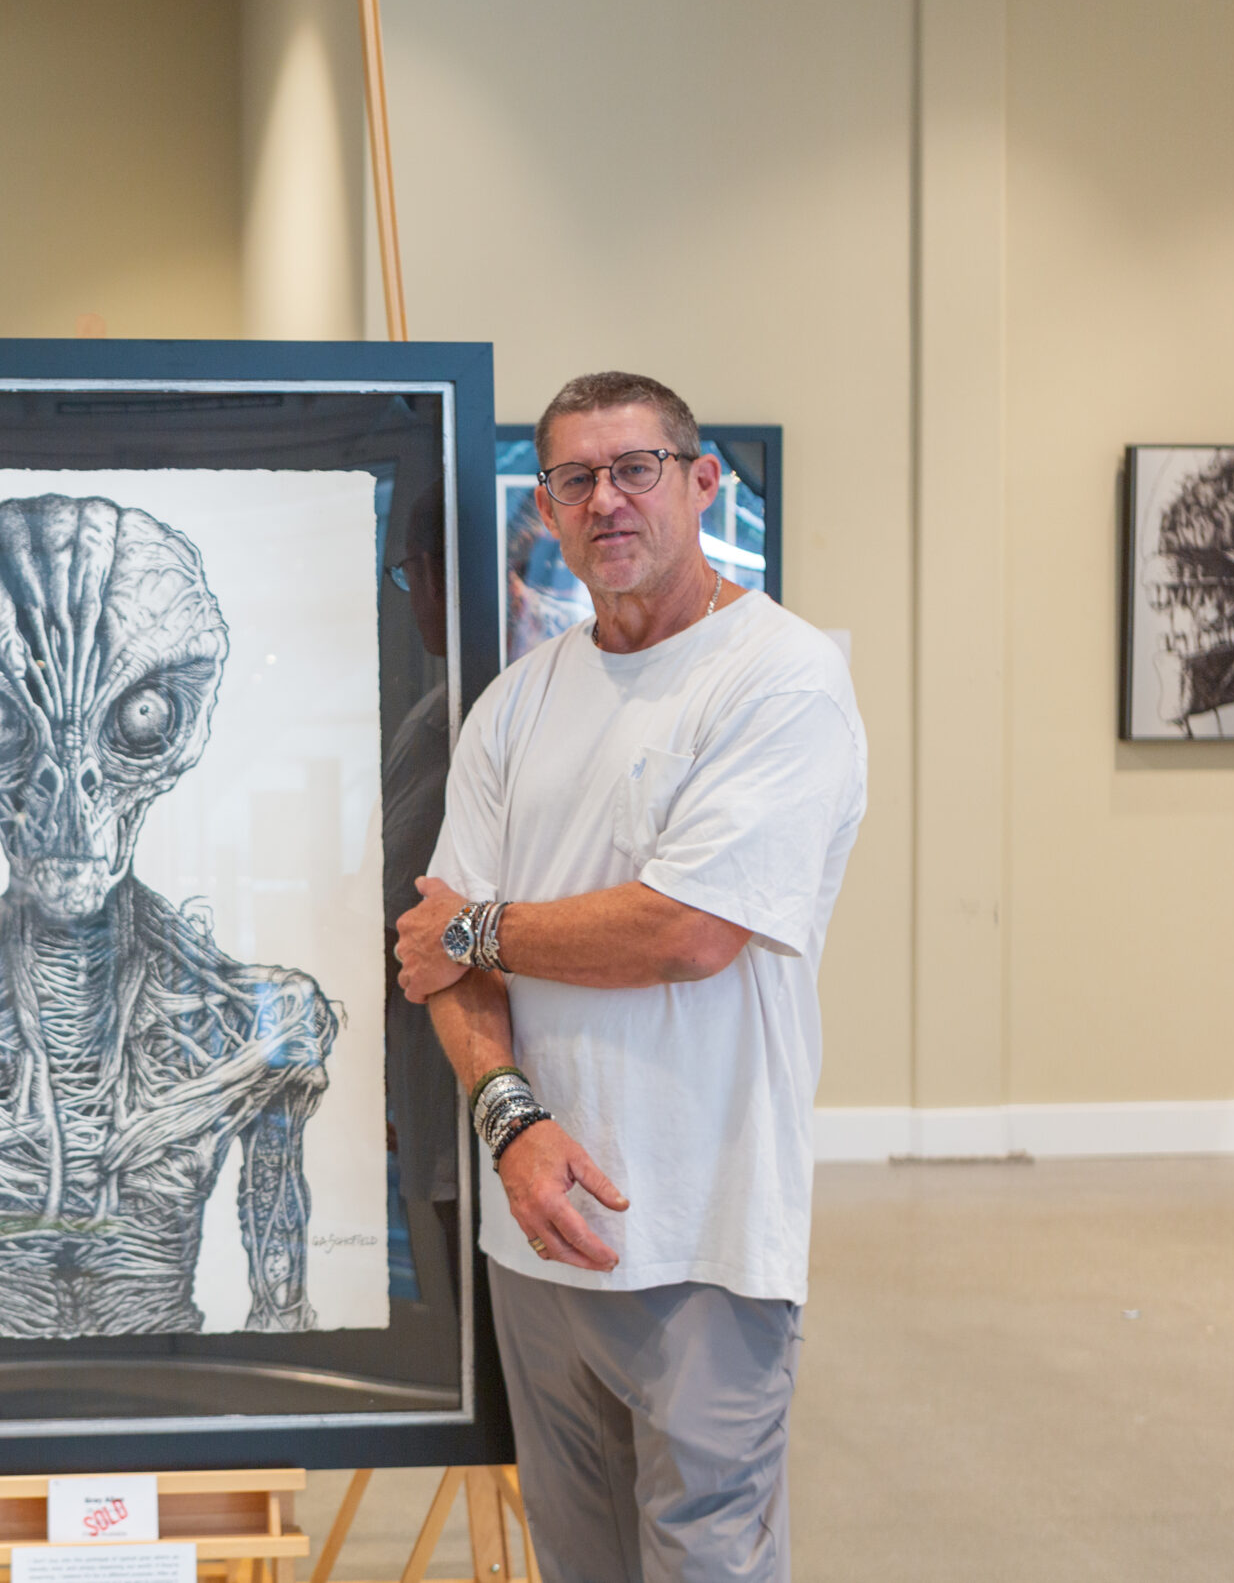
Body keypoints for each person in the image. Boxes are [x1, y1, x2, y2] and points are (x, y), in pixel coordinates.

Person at [396, 371, 866, 1583]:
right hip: (536, 1225)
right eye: (574, 479)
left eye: (635, 468)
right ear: (544, 508)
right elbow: (436, 958)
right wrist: (511, 1121)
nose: (605, 500)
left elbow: (687, 932)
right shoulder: (515, 703)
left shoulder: (778, 677)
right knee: (577, 1562)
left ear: (701, 483)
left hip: (704, 1235)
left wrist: (479, 932)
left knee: (705, 1559)